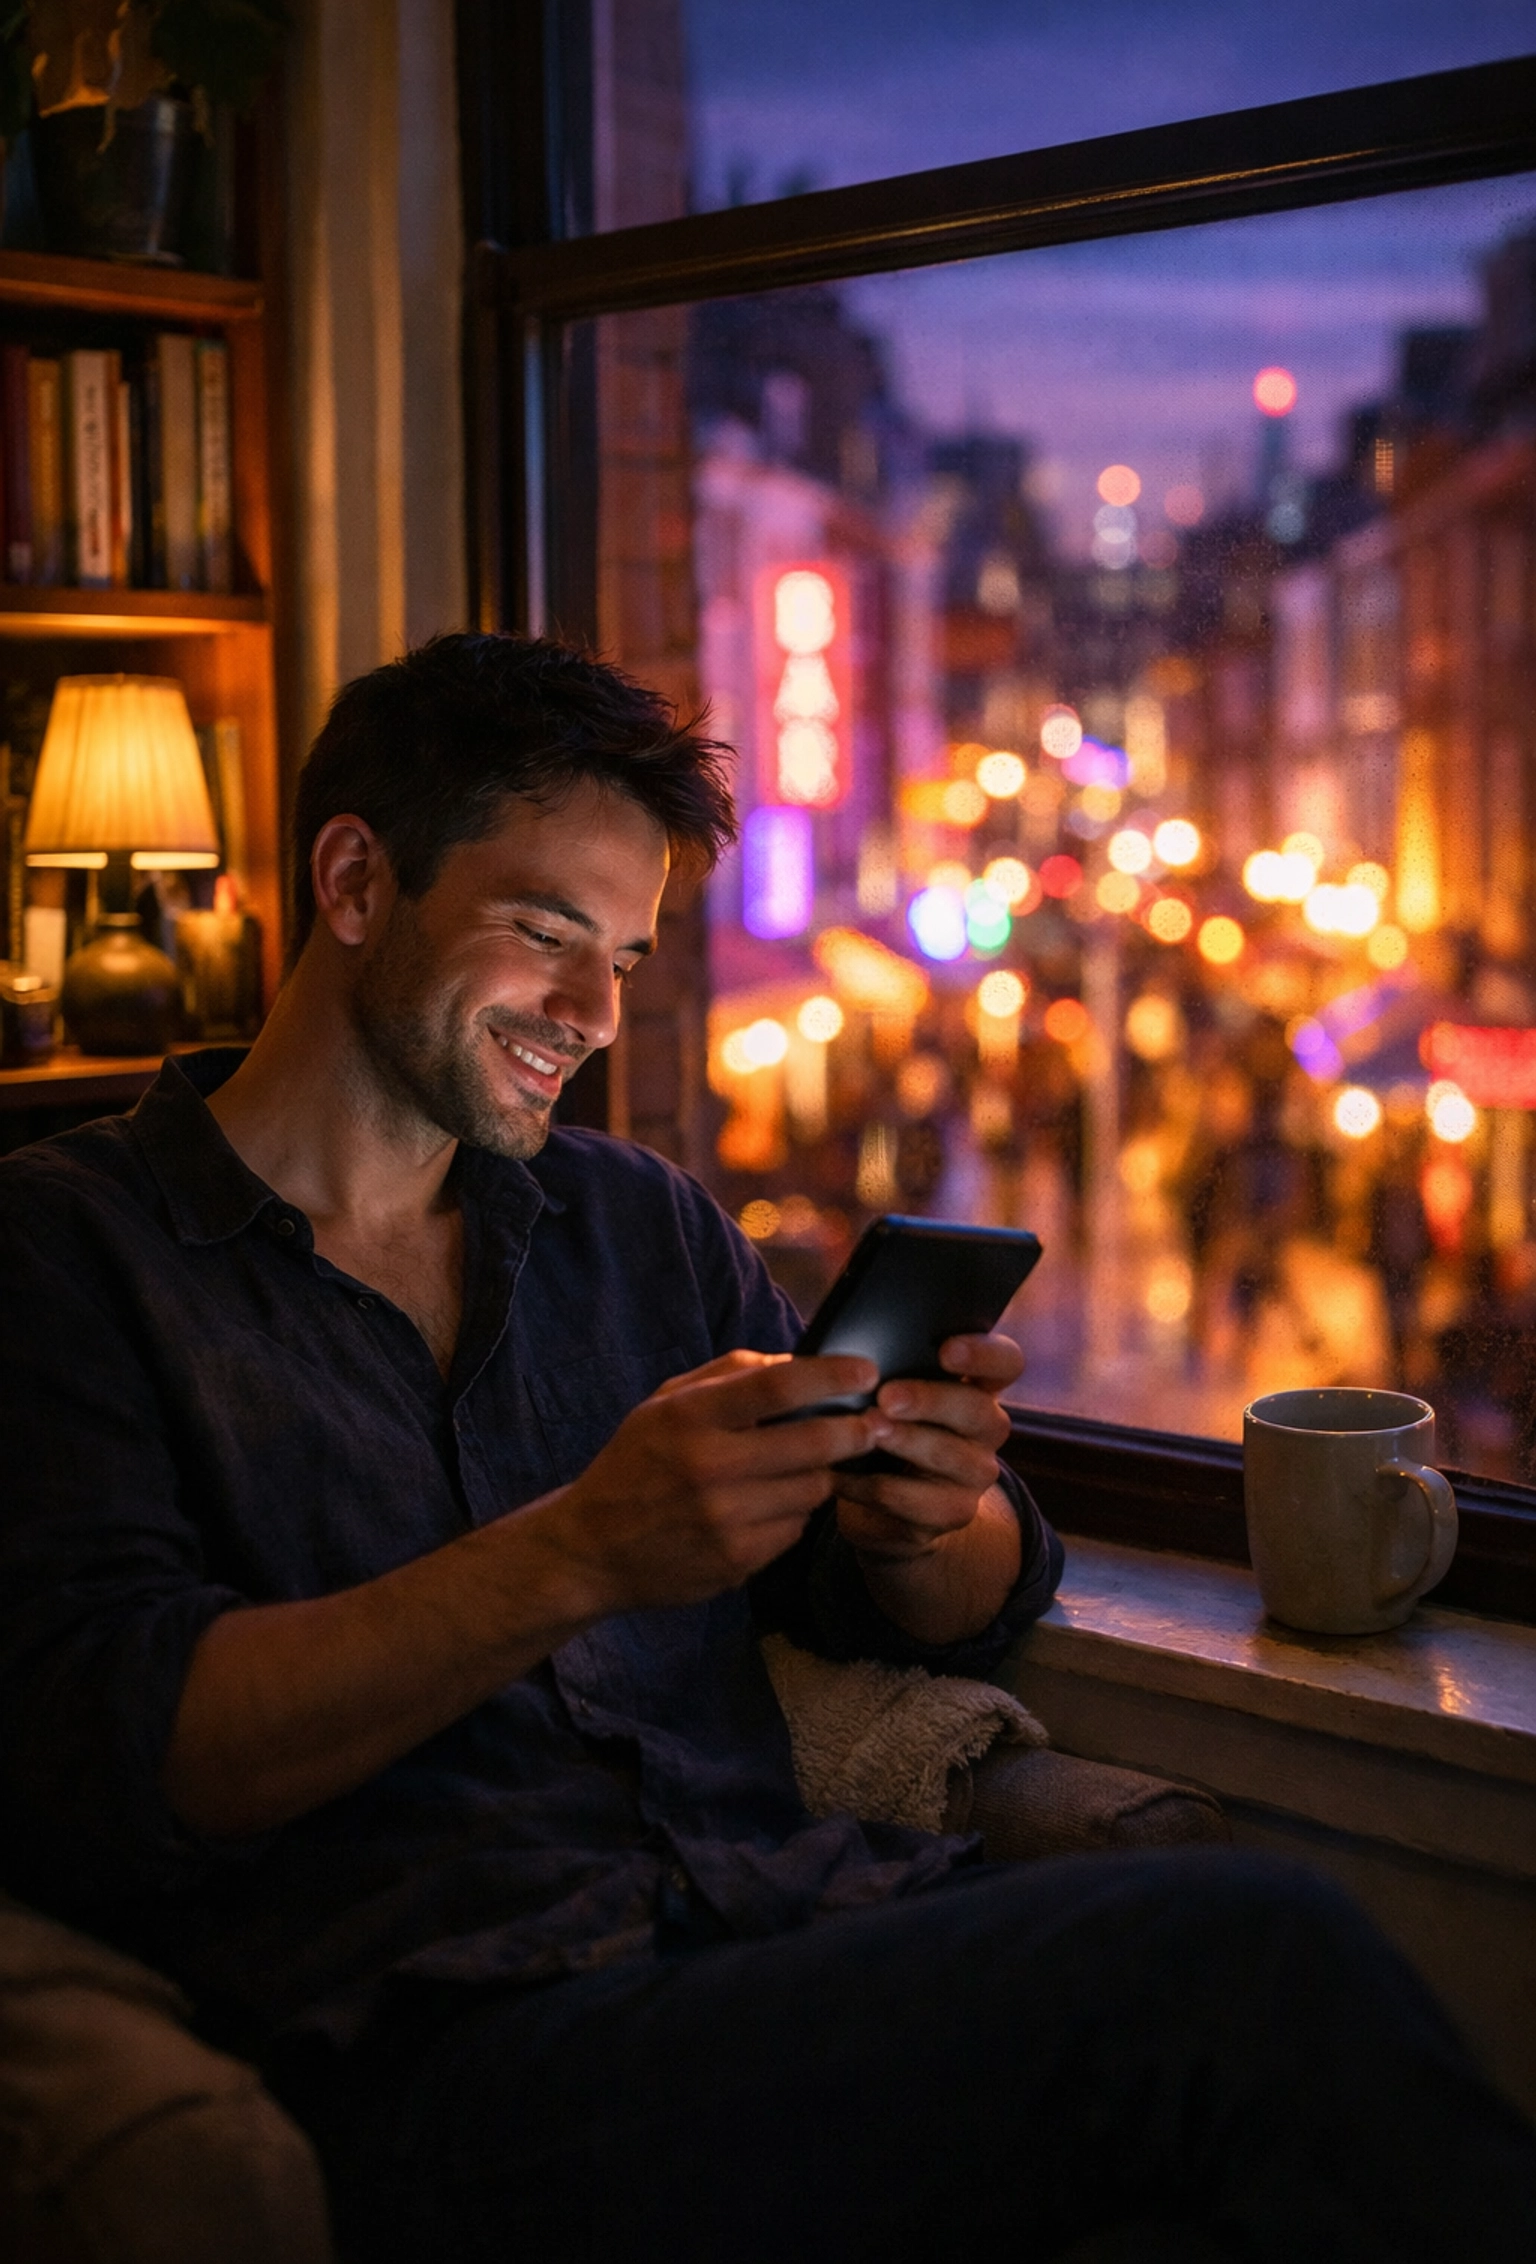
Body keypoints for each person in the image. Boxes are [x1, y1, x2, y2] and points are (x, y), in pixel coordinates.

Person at [1, 634, 1532, 2264]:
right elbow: (121, 1754)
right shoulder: (71, 1255)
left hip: (779, 1935)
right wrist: (578, 1551)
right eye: (544, 932)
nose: (594, 1012)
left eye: (628, 955)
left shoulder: (634, 1225)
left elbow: (921, 1606)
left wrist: (925, 1523)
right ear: (358, 881)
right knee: (1254, 1958)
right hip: (447, 2056)